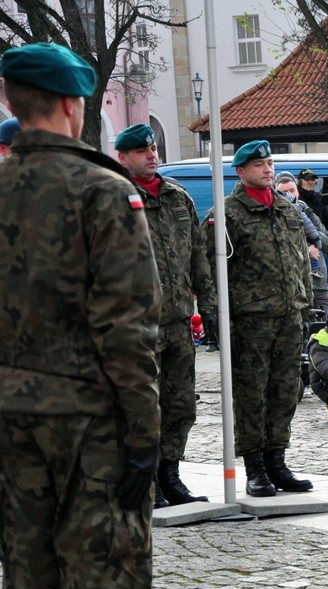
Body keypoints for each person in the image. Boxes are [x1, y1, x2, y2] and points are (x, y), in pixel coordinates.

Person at [0, 42, 160, 589]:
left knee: (27, 583)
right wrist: (145, 432)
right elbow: (125, 325)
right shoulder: (101, 190)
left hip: (11, 418)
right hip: (88, 423)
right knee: (101, 584)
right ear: (72, 103)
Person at [203, 140, 314, 497]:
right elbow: (211, 271)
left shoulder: (286, 208)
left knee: (285, 391)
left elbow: (300, 261)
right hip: (250, 320)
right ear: (241, 171)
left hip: (289, 315)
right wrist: (219, 323)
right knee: (252, 393)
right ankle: (254, 466)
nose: (267, 169)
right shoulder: (227, 213)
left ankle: (277, 460)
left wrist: (305, 304)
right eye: (259, 165)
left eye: (269, 163)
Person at [115, 122, 215, 508]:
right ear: (123, 158)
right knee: (142, 407)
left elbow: (198, 258)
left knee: (180, 404)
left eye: (154, 149)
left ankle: (170, 474)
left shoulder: (178, 197)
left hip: (176, 320)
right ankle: (145, 480)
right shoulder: (116, 198)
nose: (152, 155)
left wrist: (207, 307)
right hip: (136, 325)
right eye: (142, 151)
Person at [276, 172, 328, 311]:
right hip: (293, 287)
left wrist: (312, 233)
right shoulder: (274, 216)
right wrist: (306, 251)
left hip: (318, 286)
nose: (290, 195)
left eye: (292, 190)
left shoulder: (306, 211)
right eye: (284, 192)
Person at [297, 168, 328, 240]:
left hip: (319, 238)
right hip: (304, 242)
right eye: (307, 180)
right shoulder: (297, 198)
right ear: (300, 182)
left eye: (312, 180)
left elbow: (327, 215)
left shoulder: (316, 198)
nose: (310, 182)